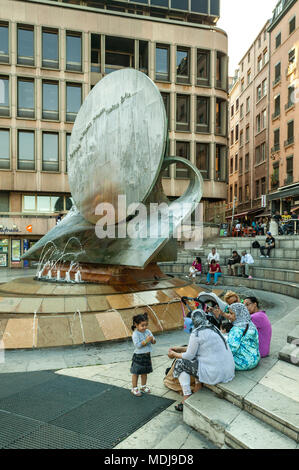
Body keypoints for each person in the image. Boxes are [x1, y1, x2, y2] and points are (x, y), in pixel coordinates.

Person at [168, 309, 235, 412]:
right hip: (228, 370)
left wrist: (174, 354)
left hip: (215, 373)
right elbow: (199, 350)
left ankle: (186, 396)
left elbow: (189, 355)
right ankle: (198, 385)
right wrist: (179, 349)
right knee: (195, 360)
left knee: (180, 363)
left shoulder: (197, 333)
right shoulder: (213, 328)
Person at [215, 302, 260, 371]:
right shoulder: (251, 324)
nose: (229, 316)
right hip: (255, 358)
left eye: (231, 313)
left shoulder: (236, 329)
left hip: (244, 363)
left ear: (239, 314)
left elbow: (232, 349)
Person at [130, 313, 156, 397]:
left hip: (147, 356)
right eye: (142, 325)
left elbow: (154, 341)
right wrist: (146, 340)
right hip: (139, 356)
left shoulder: (148, 331)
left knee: (144, 372)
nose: (144, 327)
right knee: (136, 372)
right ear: (136, 325)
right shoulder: (135, 334)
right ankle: (134, 388)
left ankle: (143, 386)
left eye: (146, 325)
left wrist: (152, 340)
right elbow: (138, 345)